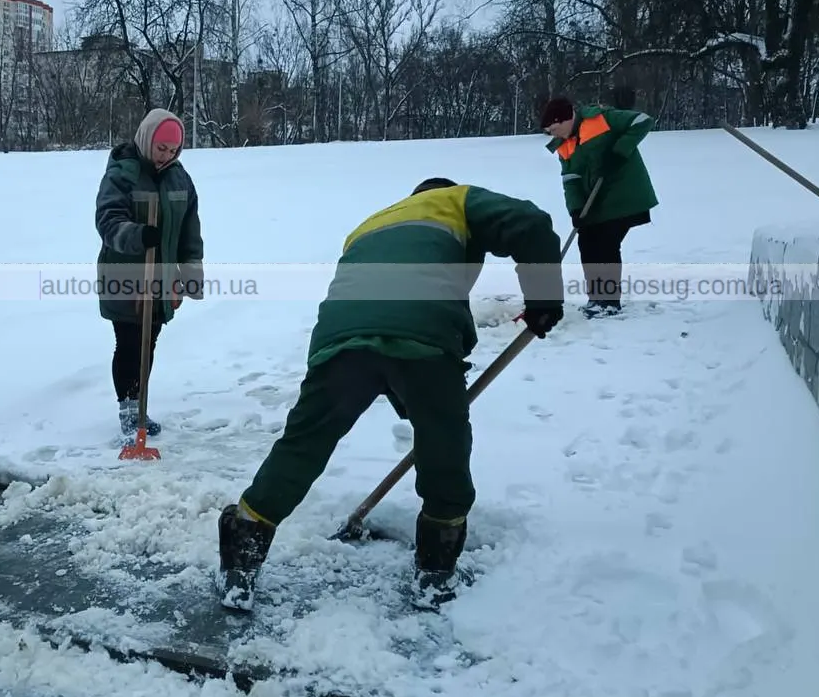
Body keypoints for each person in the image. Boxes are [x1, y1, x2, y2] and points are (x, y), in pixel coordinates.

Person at [216, 178, 565, 611]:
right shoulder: (456, 200)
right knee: (443, 444)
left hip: (340, 336)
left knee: (304, 444)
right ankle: (436, 570)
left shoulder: (371, 224)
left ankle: (242, 552)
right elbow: (529, 223)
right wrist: (545, 298)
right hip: (422, 331)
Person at [94, 108, 205, 437]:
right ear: (146, 139)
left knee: (149, 342)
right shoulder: (122, 173)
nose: (166, 156)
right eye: (161, 148)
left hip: (162, 279)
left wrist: (191, 276)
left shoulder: (180, 179)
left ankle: (139, 405)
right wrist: (137, 235)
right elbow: (107, 220)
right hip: (124, 275)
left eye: (173, 150)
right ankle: (129, 410)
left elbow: (189, 233)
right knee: (129, 342)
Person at [538, 94, 658, 317]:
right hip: (595, 201)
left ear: (565, 119)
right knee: (587, 241)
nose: (552, 134)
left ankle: (609, 302)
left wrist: (619, 151)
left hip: (624, 194)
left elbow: (643, 120)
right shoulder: (565, 144)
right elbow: (570, 180)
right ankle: (596, 298)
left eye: (553, 129)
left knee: (606, 243)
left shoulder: (601, 118)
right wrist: (575, 209)